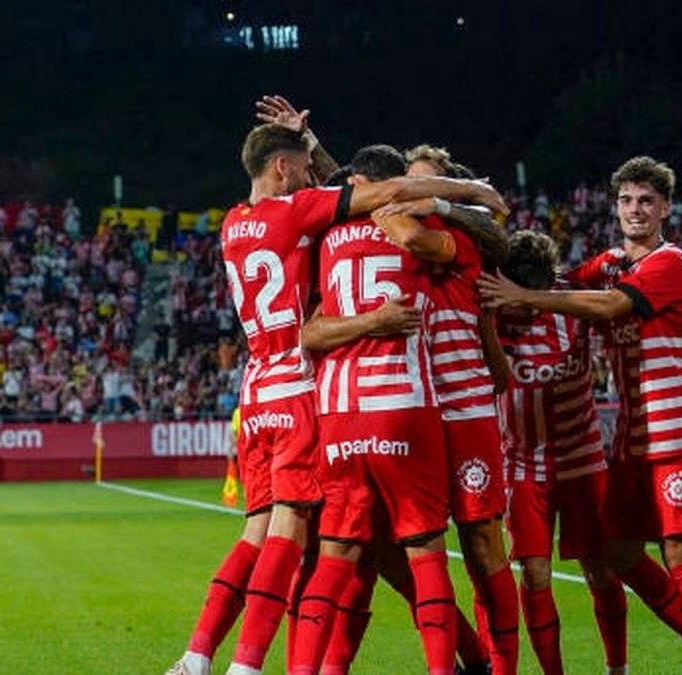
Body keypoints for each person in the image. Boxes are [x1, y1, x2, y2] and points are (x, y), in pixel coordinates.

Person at [167, 99, 506, 675]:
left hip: (269, 394)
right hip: (328, 393)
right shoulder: (312, 215)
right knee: (363, 547)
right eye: (300, 169)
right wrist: (468, 195)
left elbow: (347, 191)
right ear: (282, 169)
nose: (307, 179)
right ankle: (249, 666)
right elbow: (370, 194)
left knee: (306, 544)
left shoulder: (234, 224)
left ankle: (202, 654)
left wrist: (314, 145)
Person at [478, 156, 682, 674]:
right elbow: (562, 280)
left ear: (664, 208)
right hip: (630, 441)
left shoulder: (671, 262)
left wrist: (525, 295)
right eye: (626, 200)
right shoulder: (612, 262)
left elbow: (610, 307)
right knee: (617, 553)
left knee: (679, 552)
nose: (635, 210)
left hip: (673, 430)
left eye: (646, 201)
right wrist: (509, 282)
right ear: (615, 207)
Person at [292, 144, 455, 675]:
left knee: (336, 553)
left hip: (340, 414)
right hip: (405, 402)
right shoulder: (417, 227)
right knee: (426, 550)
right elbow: (486, 238)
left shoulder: (327, 239)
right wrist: (471, 195)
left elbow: (310, 332)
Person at [377, 144, 518, 674]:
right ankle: (471, 658)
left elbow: (384, 206)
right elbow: (355, 186)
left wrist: (450, 201)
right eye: (405, 183)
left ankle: (500, 666)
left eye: (424, 186)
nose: (410, 192)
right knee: (400, 550)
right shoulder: (388, 244)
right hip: (411, 412)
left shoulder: (454, 240)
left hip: (464, 410)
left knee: (483, 548)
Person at [493, 230, 629, 674]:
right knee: (534, 577)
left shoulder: (572, 304)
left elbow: (626, 303)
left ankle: (617, 668)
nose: (524, 308)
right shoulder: (491, 312)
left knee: (600, 572)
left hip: (582, 459)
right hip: (522, 465)